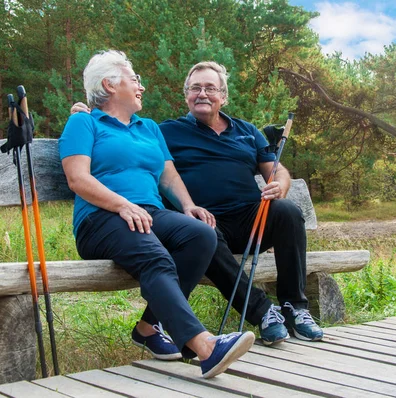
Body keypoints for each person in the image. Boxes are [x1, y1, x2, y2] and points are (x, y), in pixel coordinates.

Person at [71, 61, 323, 346]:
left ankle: (295, 308)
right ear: (186, 95)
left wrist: (281, 184)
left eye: (210, 88)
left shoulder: (248, 131)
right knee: (203, 231)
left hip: (250, 220)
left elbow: (276, 170)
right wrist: (90, 113)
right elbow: (124, 132)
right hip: (206, 220)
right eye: (195, 88)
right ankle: (263, 312)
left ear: (223, 96)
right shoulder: (167, 131)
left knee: (288, 212)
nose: (202, 94)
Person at [59, 50, 254, 379]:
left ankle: (149, 328)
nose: (141, 86)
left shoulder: (148, 128)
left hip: (148, 213)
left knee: (201, 235)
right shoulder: (83, 122)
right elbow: (78, 178)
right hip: (100, 219)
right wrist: (121, 204)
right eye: (134, 79)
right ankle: (205, 346)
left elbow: (168, 175)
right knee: (155, 256)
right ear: (109, 84)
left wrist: (188, 205)